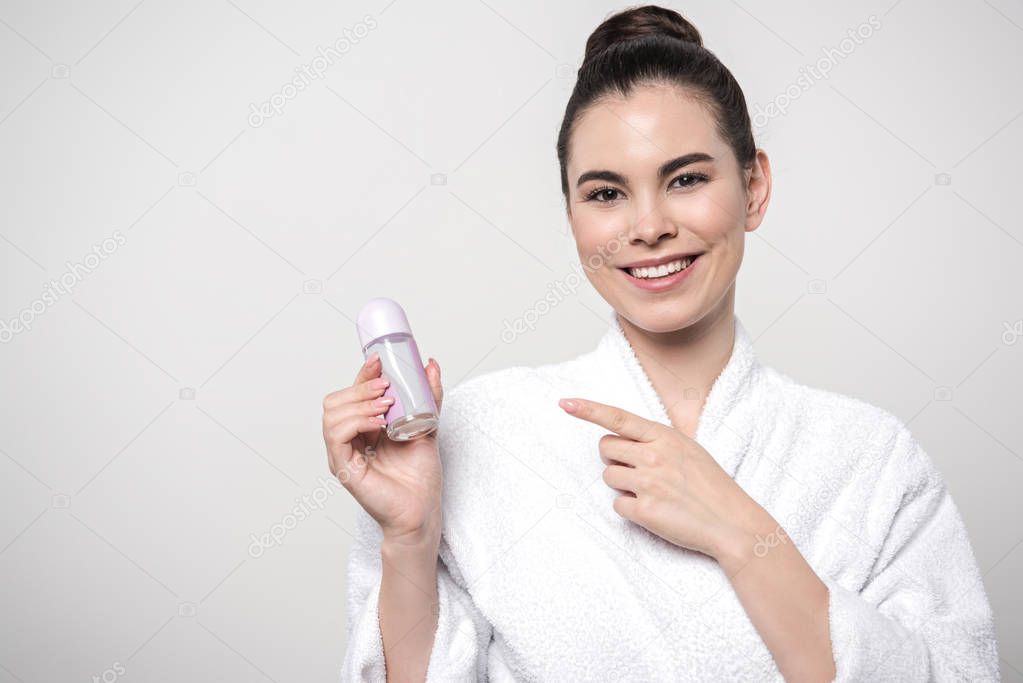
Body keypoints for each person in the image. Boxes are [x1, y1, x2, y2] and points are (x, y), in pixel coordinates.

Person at [323, 5, 999, 681]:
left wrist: (739, 532)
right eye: (606, 192)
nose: (646, 227)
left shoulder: (871, 460)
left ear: (753, 186)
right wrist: (409, 539)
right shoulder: (480, 433)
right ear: (571, 216)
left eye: (685, 179)